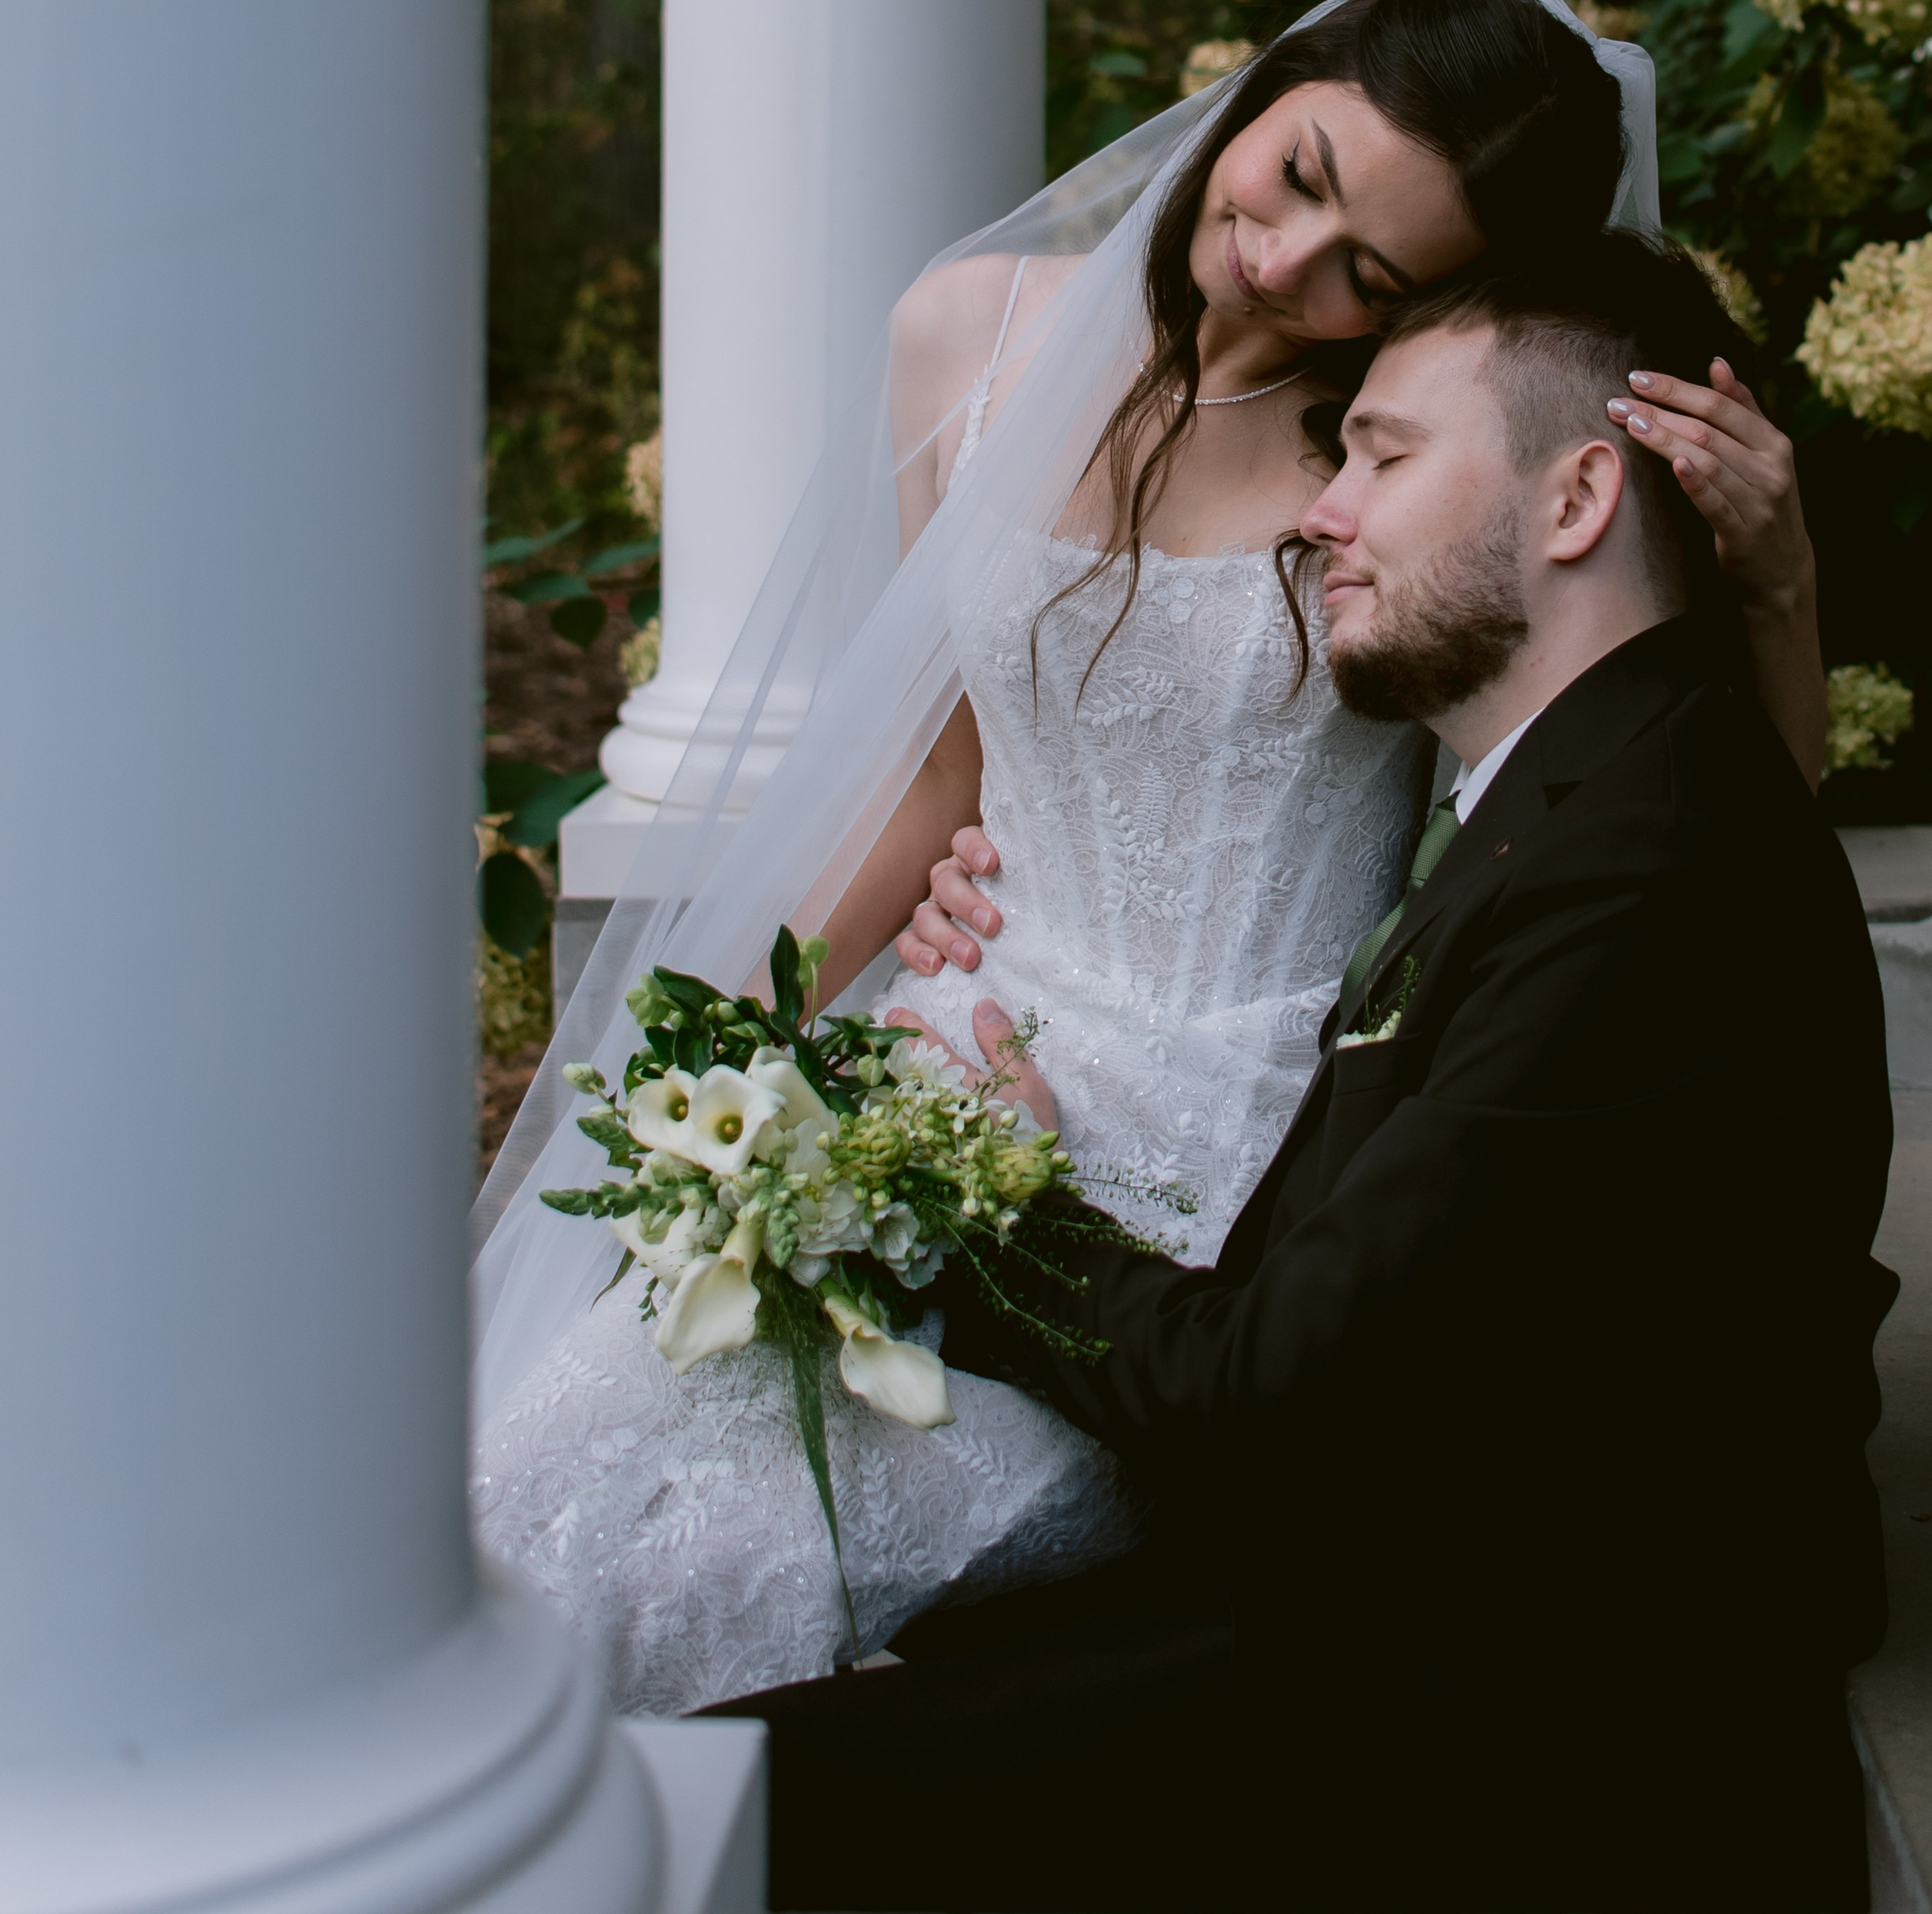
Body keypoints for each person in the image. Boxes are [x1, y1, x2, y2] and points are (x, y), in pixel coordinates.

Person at [471, 0, 1824, 1719]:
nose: (1284, 262)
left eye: (1371, 272)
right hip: (950, 1044)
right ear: (1268, 81)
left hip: (1223, 1163)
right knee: (529, 1486)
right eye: (1300, 171)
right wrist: (731, 1041)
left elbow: (1718, 825)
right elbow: (932, 773)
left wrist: (1779, 586)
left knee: (732, 1566)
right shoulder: (966, 336)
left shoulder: (1390, 464)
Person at [713, 235, 1894, 1914]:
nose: (1319, 513)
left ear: (1573, 503)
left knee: (709, 1807)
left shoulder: (1647, 872)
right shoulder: (1583, 783)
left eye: (1383, 454)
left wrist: (974, 1192)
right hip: (1405, 1580)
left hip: (1520, 1712)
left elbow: (1270, 1398)